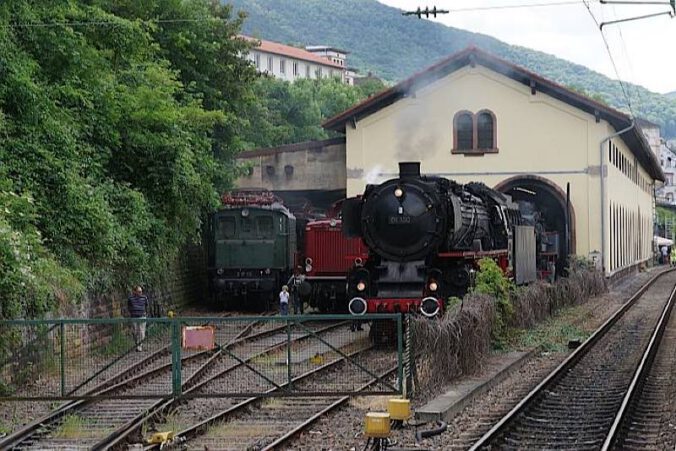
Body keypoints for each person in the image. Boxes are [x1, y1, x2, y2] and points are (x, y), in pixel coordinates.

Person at [127, 285, 149, 352]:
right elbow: (129, 306)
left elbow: (146, 305)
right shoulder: (131, 299)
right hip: (134, 317)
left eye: (141, 291)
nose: (140, 293)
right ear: (135, 292)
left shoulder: (144, 298)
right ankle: (137, 344)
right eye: (139, 291)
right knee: (135, 331)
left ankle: (139, 346)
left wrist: (145, 313)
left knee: (142, 332)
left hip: (142, 316)